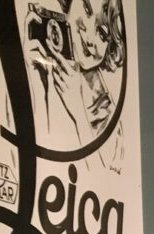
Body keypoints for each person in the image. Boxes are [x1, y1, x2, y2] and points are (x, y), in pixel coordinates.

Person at [23, 0, 126, 171]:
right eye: (86, 9)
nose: (89, 34)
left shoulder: (110, 121)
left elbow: (105, 182)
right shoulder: (44, 64)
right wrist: (33, 78)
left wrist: (78, 112)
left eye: (102, 34)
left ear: (110, 49)